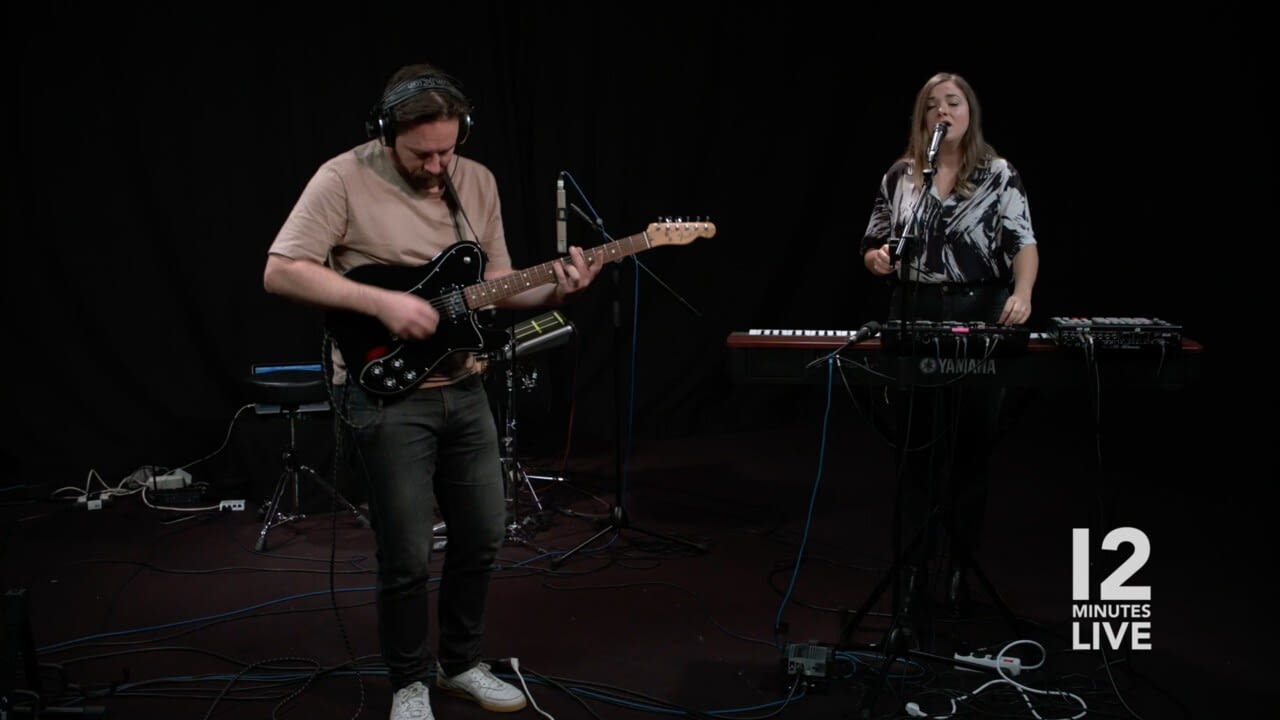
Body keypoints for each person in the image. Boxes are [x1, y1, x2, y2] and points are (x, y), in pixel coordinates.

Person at [263, 62, 602, 719]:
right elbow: (281, 271)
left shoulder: (477, 181)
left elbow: (499, 285)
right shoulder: (342, 177)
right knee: (407, 553)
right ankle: (408, 682)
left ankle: (459, 664)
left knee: (483, 535)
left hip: (464, 385)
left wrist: (559, 290)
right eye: (422, 154)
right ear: (386, 133)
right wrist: (382, 304)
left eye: (448, 149)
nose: (438, 165)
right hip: (385, 393)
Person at [859, 72, 1039, 621]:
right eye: (932, 104)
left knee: (969, 449)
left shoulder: (998, 173)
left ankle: (959, 570)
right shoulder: (902, 174)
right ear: (922, 118)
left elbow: (1023, 242)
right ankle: (913, 573)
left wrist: (1023, 294)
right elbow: (874, 240)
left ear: (969, 112)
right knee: (914, 450)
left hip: (976, 310)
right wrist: (877, 259)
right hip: (912, 310)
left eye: (953, 102)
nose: (943, 111)